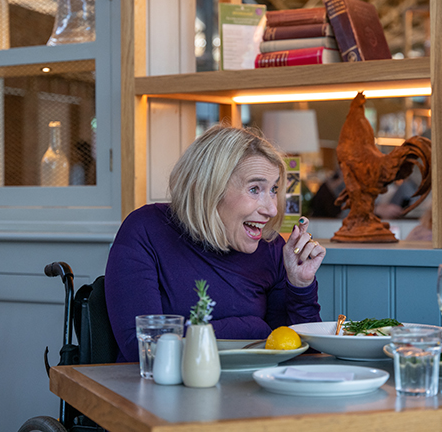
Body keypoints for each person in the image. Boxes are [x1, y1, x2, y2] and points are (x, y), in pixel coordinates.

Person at [105, 124, 326, 363]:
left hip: (249, 394)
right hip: (160, 394)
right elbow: (144, 349)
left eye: (273, 189)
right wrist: (253, 328)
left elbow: (299, 354)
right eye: (254, 189)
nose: (272, 209)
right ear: (209, 188)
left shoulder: (270, 247)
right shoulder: (146, 229)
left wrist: (300, 285)